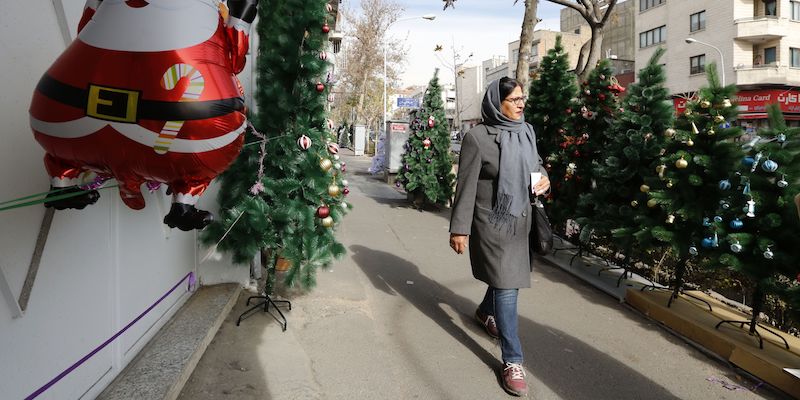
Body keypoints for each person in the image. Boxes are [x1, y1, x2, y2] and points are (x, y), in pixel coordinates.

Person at [449, 77, 550, 397]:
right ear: (497, 102)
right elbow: (465, 186)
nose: (521, 104)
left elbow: (536, 165)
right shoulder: (478, 137)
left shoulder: (528, 131)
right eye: (515, 99)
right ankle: (512, 360)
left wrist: (543, 179)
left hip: (522, 221)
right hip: (492, 224)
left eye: (523, 98)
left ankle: (483, 311)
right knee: (508, 285)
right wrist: (459, 228)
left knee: (504, 279)